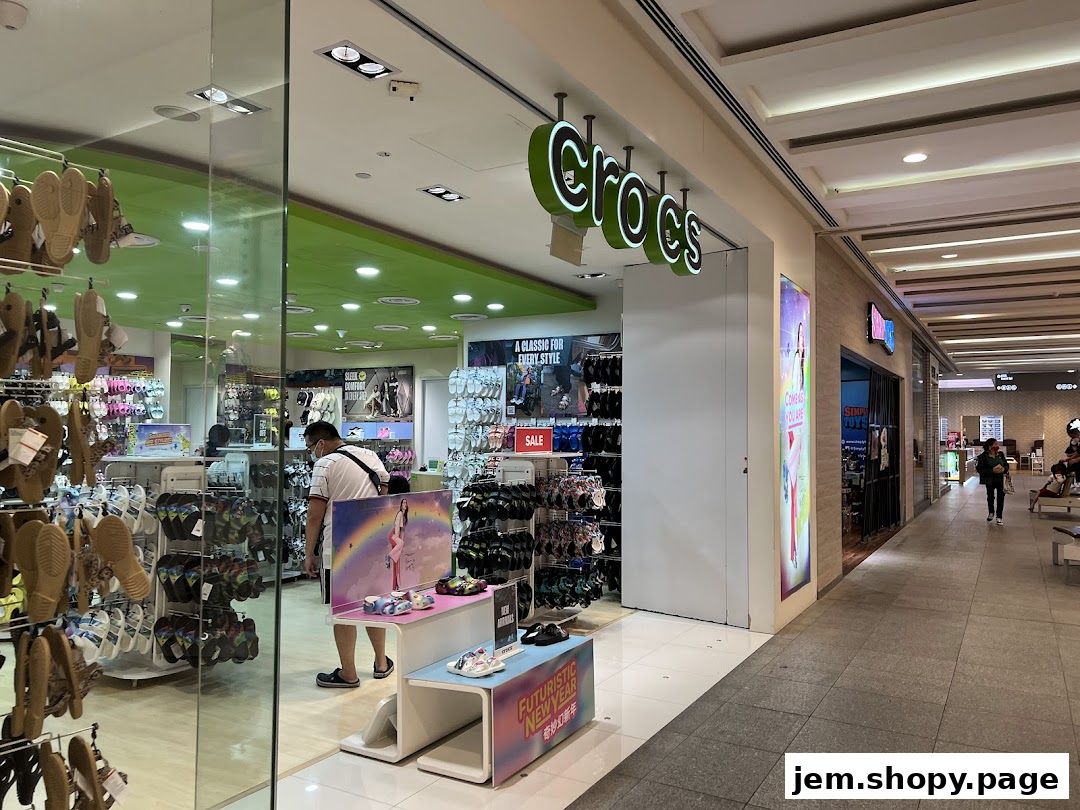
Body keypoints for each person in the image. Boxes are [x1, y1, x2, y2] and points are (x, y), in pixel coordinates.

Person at [303, 420, 392, 689]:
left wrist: (309, 553)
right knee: (373, 604)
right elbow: (384, 490)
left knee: (342, 610)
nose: (311, 452)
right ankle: (380, 663)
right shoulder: (370, 455)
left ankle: (349, 673)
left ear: (320, 443)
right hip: (371, 544)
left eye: (310, 446)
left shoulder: (325, 464)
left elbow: (314, 513)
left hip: (338, 547)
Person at [976, 438, 1008, 525]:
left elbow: (1006, 464)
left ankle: (999, 516)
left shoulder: (1000, 454)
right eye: (995, 444)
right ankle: (991, 512)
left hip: (1001, 479)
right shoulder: (983, 457)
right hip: (990, 480)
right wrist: (992, 470)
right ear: (990, 446)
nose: (998, 446)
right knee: (990, 497)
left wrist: (1003, 469)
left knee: (1001, 498)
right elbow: (980, 469)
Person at [388, 498, 408, 591]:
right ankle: (388, 556)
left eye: (406, 503)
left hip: (398, 539)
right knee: (396, 559)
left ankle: (396, 585)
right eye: (403, 503)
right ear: (401, 505)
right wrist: (398, 539)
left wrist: (401, 543)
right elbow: (397, 527)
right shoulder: (400, 514)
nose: (405, 504)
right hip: (393, 536)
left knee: (397, 562)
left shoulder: (405, 516)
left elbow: (403, 531)